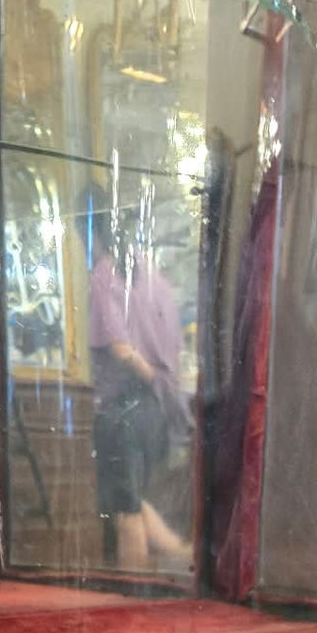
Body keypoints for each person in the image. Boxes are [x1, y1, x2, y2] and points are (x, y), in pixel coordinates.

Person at [87, 215, 192, 571]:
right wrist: (161, 388)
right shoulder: (157, 280)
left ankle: (132, 601)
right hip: (156, 412)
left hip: (123, 411)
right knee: (130, 496)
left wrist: (147, 378)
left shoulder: (105, 273)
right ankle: (182, 554)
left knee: (125, 513)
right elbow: (175, 352)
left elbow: (119, 347)